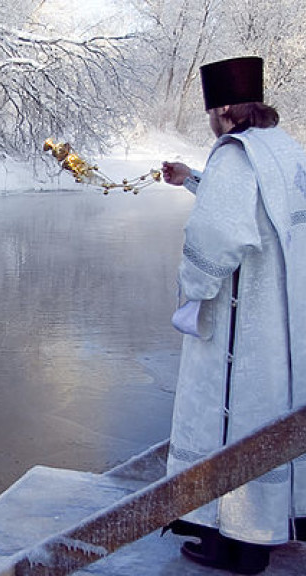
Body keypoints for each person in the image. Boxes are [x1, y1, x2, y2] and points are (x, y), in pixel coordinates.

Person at [161, 56, 306, 574]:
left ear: (224, 109)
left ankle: (235, 542)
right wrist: (192, 179)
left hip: (239, 329)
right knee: (270, 416)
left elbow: (219, 234)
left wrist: (190, 292)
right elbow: (252, 207)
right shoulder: (285, 149)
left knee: (231, 421)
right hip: (283, 323)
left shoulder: (235, 153)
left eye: (210, 113)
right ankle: (265, 531)